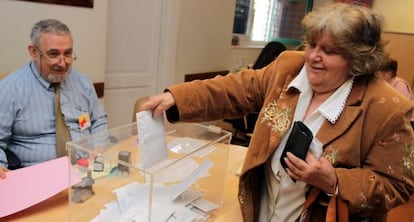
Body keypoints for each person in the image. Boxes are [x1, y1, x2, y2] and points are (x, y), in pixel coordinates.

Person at [136, 3, 414, 222]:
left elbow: (397, 187)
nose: (314, 56)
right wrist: (175, 98)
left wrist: (334, 181)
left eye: (329, 51)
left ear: (357, 59)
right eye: (312, 44)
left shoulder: (388, 108)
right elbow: (234, 89)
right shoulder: (287, 68)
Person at [0, 19, 108, 179]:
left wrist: (99, 148)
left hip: (87, 172)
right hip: (36, 180)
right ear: (34, 52)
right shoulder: (10, 89)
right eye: (53, 54)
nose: (63, 63)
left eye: (68, 54)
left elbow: (99, 121)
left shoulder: (83, 82)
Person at [377, 58, 414, 126]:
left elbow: (401, 110)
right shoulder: (385, 84)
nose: (376, 76)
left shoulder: (400, 85)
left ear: (388, 74)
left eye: (378, 73)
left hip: (408, 122)